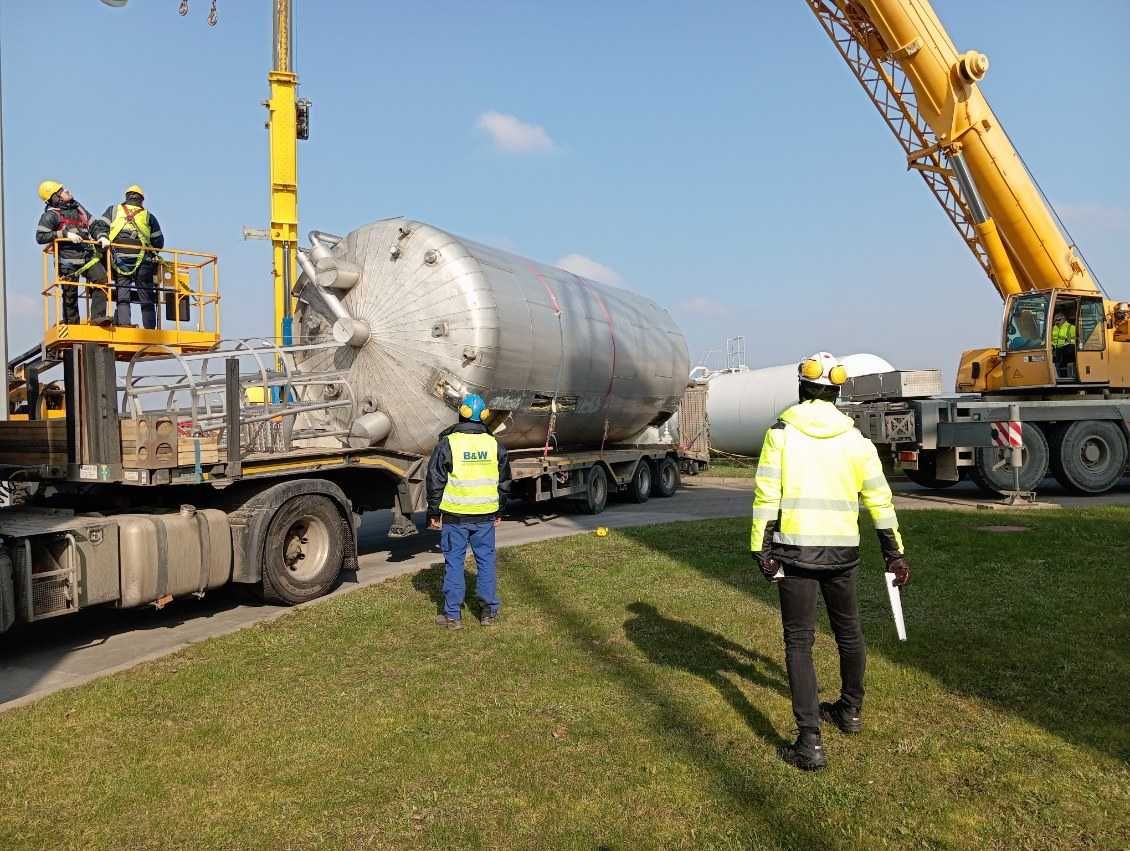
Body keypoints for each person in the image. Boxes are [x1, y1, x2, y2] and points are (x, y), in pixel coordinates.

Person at [750, 351, 911, 771]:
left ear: (802, 388)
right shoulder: (856, 440)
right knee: (849, 632)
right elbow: (880, 499)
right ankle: (850, 712)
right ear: (837, 393)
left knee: (799, 642)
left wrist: (760, 548)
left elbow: (767, 495)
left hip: (795, 551)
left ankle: (809, 742)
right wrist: (895, 554)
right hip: (843, 553)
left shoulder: (781, 434)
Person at [426, 393, 511, 629]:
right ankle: (488, 613)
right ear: (484, 416)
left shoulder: (448, 444)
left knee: (454, 562)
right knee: (486, 562)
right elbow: (504, 482)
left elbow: (435, 480)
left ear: (461, 413)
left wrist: (433, 513)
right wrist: (499, 511)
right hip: (485, 516)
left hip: (455, 517)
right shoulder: (494, 445)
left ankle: (452, 616)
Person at [35, 180, 111, 326]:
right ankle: (72, 324)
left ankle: (98, 317)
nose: (67, 190)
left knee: (101, 279)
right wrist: (64, 234)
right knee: (69, 293)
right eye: (62, 190)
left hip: (87, 256)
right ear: (55, 197)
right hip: (67, 260)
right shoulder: (51, 216)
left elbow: (94, 225)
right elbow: (40, 237)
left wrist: (101, 236)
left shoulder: (79, 209)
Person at [91, 185, 165, 329]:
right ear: (141, 200)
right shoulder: (149, 216)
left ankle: (124, 324)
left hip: (119, 259)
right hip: (143, 261)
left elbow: (100, 227)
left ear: (126, 197)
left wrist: (103, 238)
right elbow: (158, 243)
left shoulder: (113, 210)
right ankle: (149, 329)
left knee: (122, 293)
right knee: (146, 297)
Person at [1051, 310, 1077, 378]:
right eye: (1055, 320)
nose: (1056, 322)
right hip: (1055, 349)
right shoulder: (1053, 328)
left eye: (1058, 320)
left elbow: (1075, 341)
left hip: (1067, 349)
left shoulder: (1071, 327)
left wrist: (1068, 343)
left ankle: (1061, 375)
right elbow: (1051, 339)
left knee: (1060, 358)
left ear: (1064, 319)